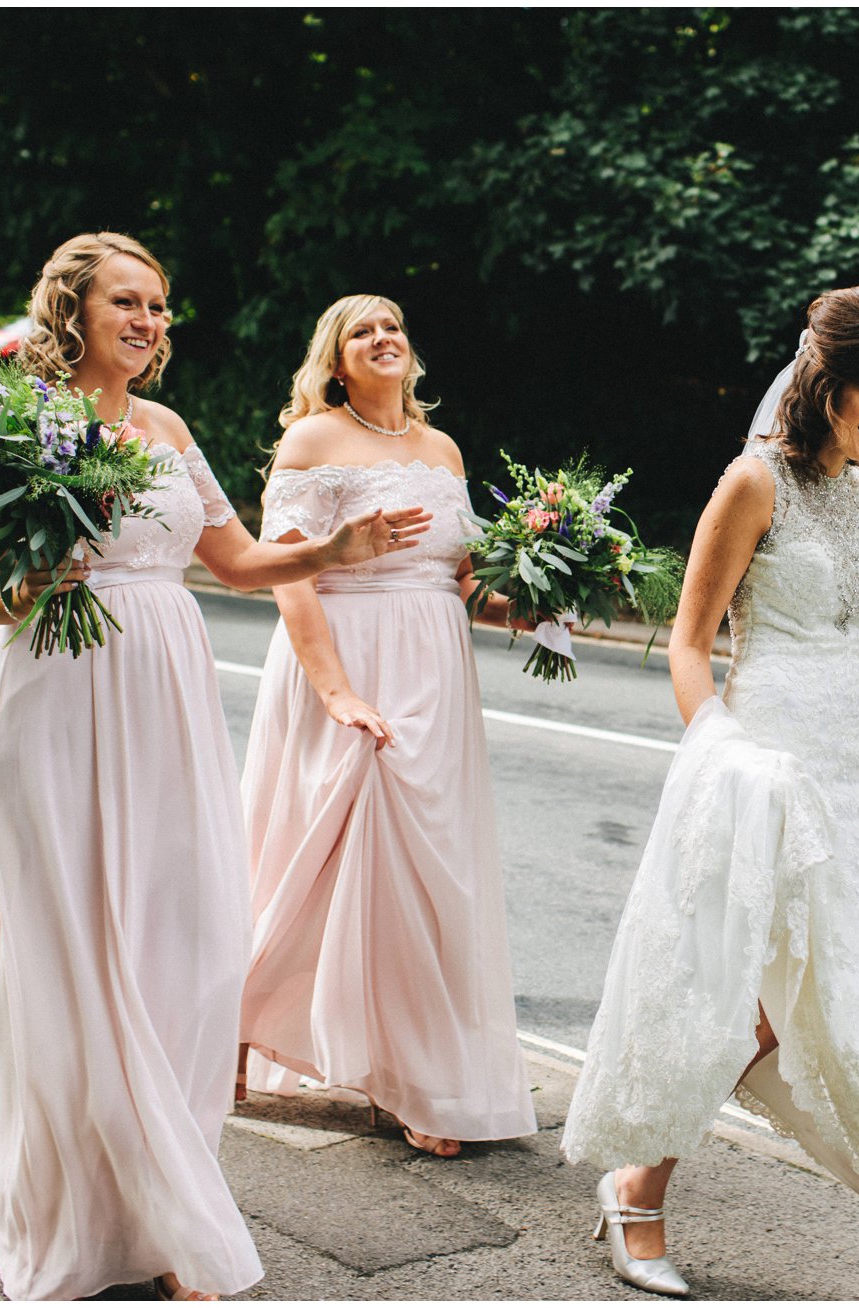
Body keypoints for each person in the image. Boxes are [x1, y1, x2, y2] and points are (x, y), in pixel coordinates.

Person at [0, 235, 432, 1303]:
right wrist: (27, 587)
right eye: (127, 302)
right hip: (55, 704)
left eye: (161, 307)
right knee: (75, 950)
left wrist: (334, 551)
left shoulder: (166, 430)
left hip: (164, 707)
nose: (149, 322)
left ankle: (160, 1195)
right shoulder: (10, 427)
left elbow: (237, 562)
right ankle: (123, 1217)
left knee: (186, 944)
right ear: (72, 311)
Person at [562, 287, 859, 1301]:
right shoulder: (753, 482)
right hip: (763, 764)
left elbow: (848, 654)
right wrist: (715, 747)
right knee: (737, 1008)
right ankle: (638, 1188)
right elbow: (687, 640)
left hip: (855, 774)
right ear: (827, 385)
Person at [236, 294, 537, 1159]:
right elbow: (289, 578)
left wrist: (534, 609)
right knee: (316, 853)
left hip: (436, 676)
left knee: (430, 870)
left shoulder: (441, 450)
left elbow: (464, 582)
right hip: (349, 661)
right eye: (361, 331)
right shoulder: (312, 442)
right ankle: (240, 1023)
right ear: (335, 359)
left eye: (394, 327)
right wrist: (334, 693)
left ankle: (419, 1066)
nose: (383, 338)